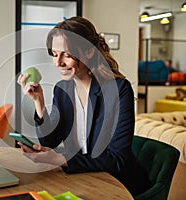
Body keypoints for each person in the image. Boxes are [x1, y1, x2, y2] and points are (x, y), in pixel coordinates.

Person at [17, 16, 151, 197]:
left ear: (88, 52)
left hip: (117, 183)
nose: (58, 63)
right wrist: (38, 101)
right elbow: (50, 141)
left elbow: (117, 159)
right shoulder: (62, 89)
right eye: (55, 55)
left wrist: (60, 159)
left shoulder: (118, 90)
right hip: (81, 177)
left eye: (66, 54)